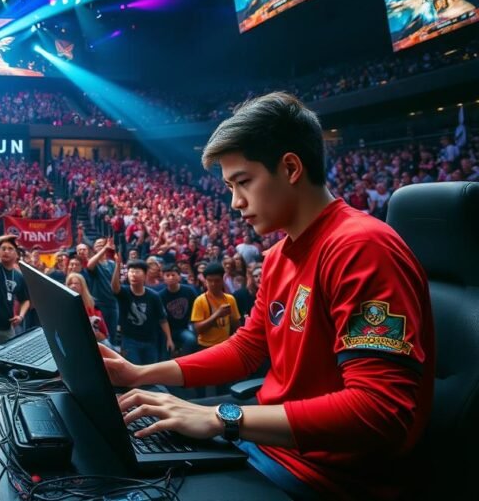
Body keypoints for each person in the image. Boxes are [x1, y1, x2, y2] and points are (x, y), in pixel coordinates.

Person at [99, 92, 434, 499]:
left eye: (243, 182)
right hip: (263, 451)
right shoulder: (277, 257)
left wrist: (222, 417)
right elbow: (246, 349)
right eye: (229, 186)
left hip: (324, 479)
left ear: (291, 167)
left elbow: (378, 411)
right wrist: (141, 373)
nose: (236, 202)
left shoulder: (362, 247)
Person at [112, 259, 173, 365]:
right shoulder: (124, 292)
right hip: (129, 340)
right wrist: (117, 266)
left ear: (145, 275)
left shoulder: (154, 296)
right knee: (134, 369)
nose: (134, 275)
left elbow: (162, 319)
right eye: (131, 272)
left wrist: (169, 338)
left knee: (149, 371)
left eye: (137, 272)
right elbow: (115, 287)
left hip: (150, 340)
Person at [190, 262, 241, 351]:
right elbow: (198, 329)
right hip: (206, 346)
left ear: (222, 280)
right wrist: (216, 315)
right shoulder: (200, 300)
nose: (213, 284)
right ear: (205, 281)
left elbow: (236, 324)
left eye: (217, 280)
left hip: (225, 344)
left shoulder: (230, 299)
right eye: (210, 280)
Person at [158, 264, 199, 357]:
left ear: (179, 277)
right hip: (167, 330)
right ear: (163, 278)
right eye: (167, 275)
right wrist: (168, 337)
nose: (171, 278)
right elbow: (161, 319)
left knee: (191, 339)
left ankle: (184, 362)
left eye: (173, 275)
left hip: (184, 328)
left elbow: (196, 309)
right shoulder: (160, 296)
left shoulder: (189, 291)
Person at [65, 273, 109, 344]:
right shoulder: (64, 305)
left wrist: (99, 334)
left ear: (83, 286)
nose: (73, 286)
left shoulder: (92, 303)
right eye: (70, 283)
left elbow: (102, 330)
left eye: (76, 283)